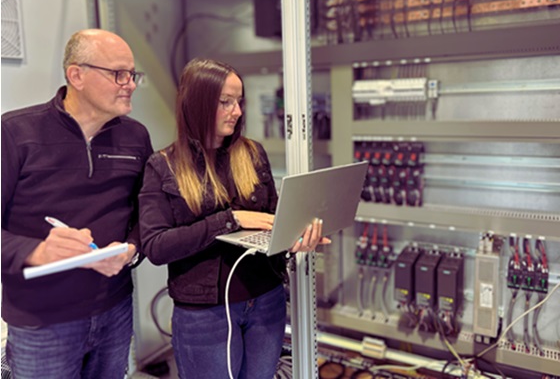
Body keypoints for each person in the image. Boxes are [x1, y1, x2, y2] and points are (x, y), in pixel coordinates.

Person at [138, 58, 329, 379]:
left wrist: (295, 239)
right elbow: (156, 247)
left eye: (239, 101)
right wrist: (231, 220)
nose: (237, 111)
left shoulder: (252, 154)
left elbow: (272, 220)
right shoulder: (163, 166)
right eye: (225, 102)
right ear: (197, 104)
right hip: (204, 316)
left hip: (266, 302)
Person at [1, 29, 153, 378]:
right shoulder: (15, 133)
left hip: (114, 310)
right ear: (76, 75)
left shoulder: (135, 136)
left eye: (132, 75)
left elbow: (149, 213)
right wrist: (35, 251)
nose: (129, 84)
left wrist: (132, 247)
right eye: (118, 74)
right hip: (41, 322)